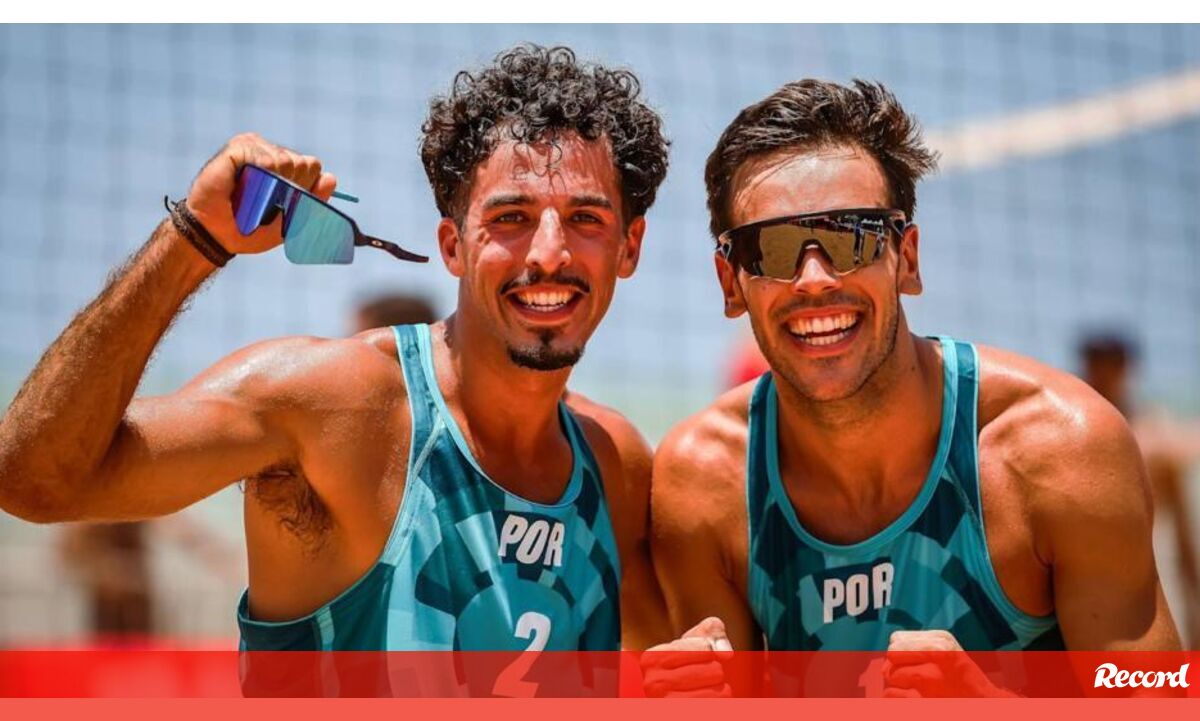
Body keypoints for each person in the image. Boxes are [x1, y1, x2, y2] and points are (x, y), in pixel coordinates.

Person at [0, 44, 670, 685]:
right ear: (453, 245)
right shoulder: (329, 407)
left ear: (629, 248)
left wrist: (694, 659)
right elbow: (33, 480)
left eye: (586, 218)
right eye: (512, 216)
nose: (549, 253)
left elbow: (670, 656)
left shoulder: (614, 465)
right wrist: (193, 239)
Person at [644, 79, 1180, 697]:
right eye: (772, 247)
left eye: (851, 236)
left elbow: (1162, 696)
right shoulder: (705, 480)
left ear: (907, 259)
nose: (814, 279)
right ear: (730, 282)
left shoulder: (1058, 449)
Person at [1078, 332, 1200, 649]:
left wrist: (1195, 603)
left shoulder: (1154, 440)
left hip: (1152, 580)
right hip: (1083, 578)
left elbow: (1183, 535)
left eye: (1107, 366)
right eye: (1093, 364)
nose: (1099, 375)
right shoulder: (1067, 434)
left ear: (1124, 369)